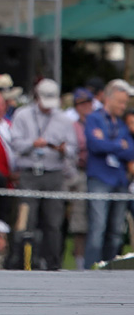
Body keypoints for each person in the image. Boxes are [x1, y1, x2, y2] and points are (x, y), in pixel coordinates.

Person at [8, 79, 76, 270]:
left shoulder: (64, 119)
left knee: (53, 222)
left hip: (54, 174)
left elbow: (73, 149)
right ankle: (23, 263)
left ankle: (53, 263)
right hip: (29, 173)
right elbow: (15, 144)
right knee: (25, 220)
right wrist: (32, 144)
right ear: (36, 97)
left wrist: (63, 149)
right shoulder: (22, 115)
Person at [84, 79, 134, 267]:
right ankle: (90, 270)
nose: (123, 106)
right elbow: (94, 145)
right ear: (109, 99)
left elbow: (130, 150)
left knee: (115, 231)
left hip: (119, 180)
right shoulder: (94, 118)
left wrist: (109, 144)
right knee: (98, 227)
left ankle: (109, 268)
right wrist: (117, 145)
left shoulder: (121, 124)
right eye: (121, 102)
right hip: (100, 178)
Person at [65, 87, 95, 269]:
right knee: (79, 222)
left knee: (96, 221)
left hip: (97, 173)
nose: (85, 107)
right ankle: (79, 262)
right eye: (81, 104)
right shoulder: (72, 125)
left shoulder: (98, 122)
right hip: (79, 172)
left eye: (88, 103)